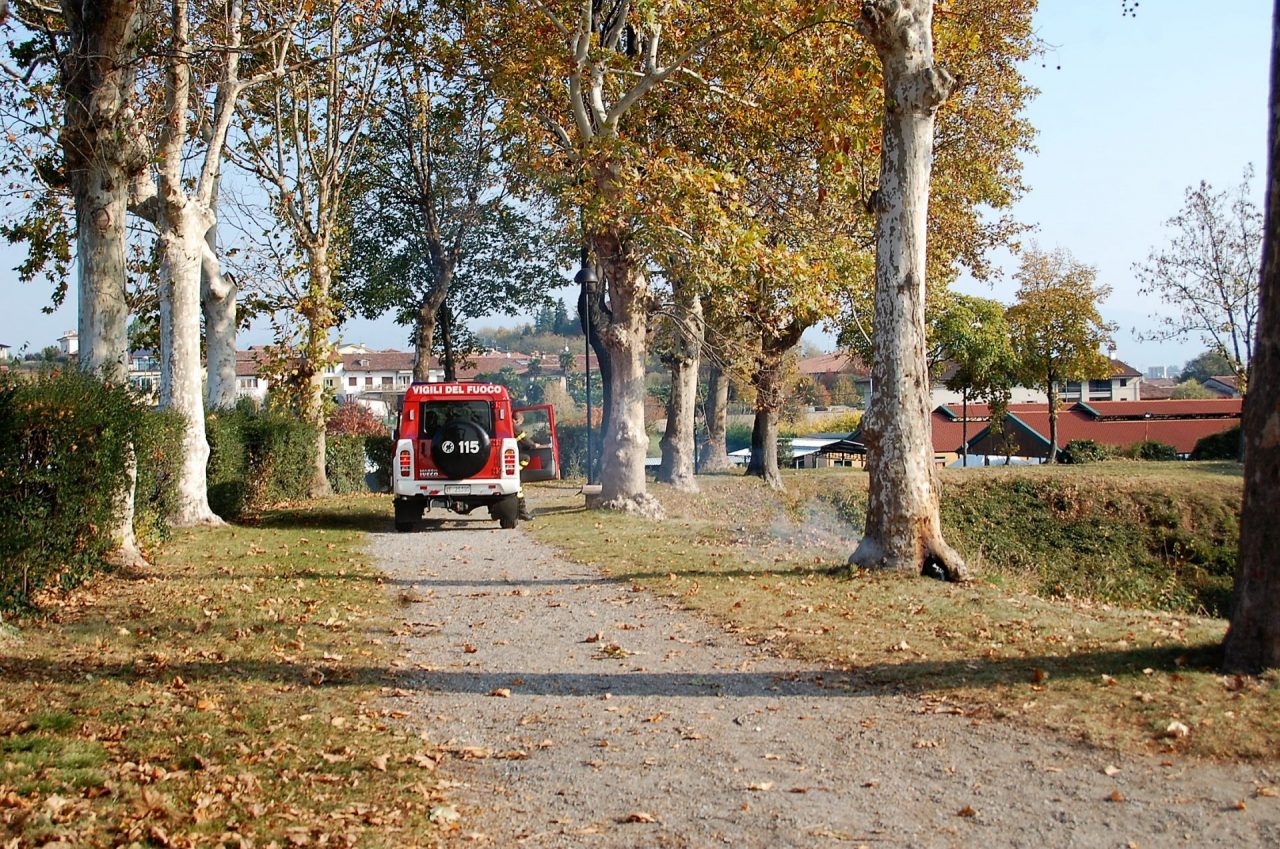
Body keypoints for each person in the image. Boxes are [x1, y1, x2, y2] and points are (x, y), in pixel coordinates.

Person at [512, 412, 546, 521]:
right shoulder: (515, 427)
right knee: (525, 458)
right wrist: (534, 445)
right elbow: (525, 440)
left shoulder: (508, 426)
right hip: (510, 461)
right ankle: (522, 513)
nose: (519, 425)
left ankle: (520, 512)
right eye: (519, 423)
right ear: (516, 420)